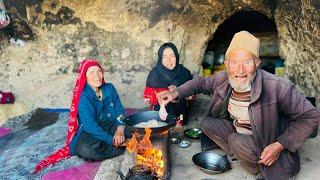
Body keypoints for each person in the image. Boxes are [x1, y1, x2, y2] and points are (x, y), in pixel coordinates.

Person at [158, 31, 320, 179]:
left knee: (236, 141)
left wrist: (280, 145)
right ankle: (242, 153)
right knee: (206, 123)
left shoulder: (277, 86)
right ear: (227, 64)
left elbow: (311, 116)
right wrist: (175, 93)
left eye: (247, 62)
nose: (240, 70)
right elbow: (200, 83)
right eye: (234, 62)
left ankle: (260, 167)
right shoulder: (224, 78)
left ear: (257, 63)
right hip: (240, 133)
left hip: (267, 142)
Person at [34, 59, 132, 173]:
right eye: (92, 72)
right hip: (91, 131)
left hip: (112, 125)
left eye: (99, 71)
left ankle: (121, 142)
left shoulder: (109, 88)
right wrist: (111, 140)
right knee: (85, 150)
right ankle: (122, 146)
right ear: (84, 76)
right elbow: (90, 125)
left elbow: (119, 110)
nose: (97, 76)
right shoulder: (83, 96)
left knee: (137, 130)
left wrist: (120, 129)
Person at [143, 42, 193, 126]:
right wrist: (164, 93)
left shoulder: (184, 73)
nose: (169, 60)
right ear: (160, 58)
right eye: (165, 57)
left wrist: (178, 91)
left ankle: (178, 124)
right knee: (161, 127)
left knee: (178, 129)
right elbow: (147, 98)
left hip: (180, 116)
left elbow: (193, 95)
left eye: (172, 56)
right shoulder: (154, 75)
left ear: (176, 56)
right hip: (159, 118)